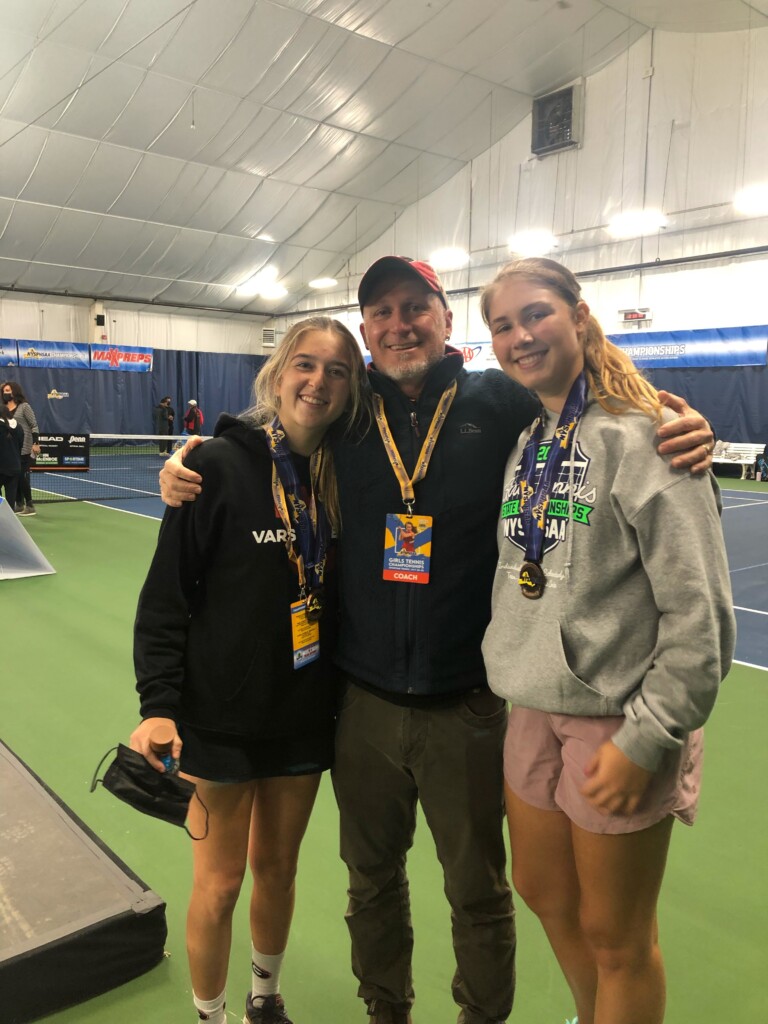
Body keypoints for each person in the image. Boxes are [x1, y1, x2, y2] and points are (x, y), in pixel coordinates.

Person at [158, 257, 715, 1024]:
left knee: (480, 889)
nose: (400, 324)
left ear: (447, 320)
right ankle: (388, 1008)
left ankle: (480, 1015)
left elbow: (589, 394)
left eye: (416, 306)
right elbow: (287, 420)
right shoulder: (352, 413)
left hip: (475, 704)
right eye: (382, 312)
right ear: (368, 329)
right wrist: (191, 457)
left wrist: (679, 421)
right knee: (372, 880)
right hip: (363, 703)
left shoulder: (502, 400)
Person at [479, 257, 735, 1024]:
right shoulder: (530, 440)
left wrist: (650, 736)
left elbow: (702, 617)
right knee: (546, 894)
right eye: (502, 324)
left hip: (618, 720)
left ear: (579, 318)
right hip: (531, 706)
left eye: (536, 315)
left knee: (618, 937)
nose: (520, 335)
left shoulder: (649, 435)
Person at [130, 317, 368, 1024]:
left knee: (280, 869)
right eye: (305, 364)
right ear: (277, 372)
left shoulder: (348, 471)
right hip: (219, 721)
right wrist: (158, 702)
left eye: (336, 370)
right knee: (220, 882)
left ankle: (265, 1001)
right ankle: (212, 1016)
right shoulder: (214, 466)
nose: (318, 382)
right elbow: (166, 596)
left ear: (353, 387)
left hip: (302, 719)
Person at [1, 380, 41, 515]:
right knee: (14, 476)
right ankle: (19, 504)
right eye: (4, 391)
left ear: (15, 391)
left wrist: (36, 443)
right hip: (9, 450)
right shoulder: (3, 407)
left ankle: (29, 505)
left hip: (24, 447)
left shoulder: (24, 407)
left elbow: (34, 425)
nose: (6, 393)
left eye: (8, 390)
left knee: (19, 475)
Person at [0, 402, 24, 510]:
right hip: (15, 467)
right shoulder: (19, 427)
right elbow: (20, 445)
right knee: (11, 501)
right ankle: (9, 523)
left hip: (1, 467)